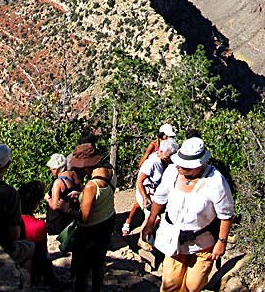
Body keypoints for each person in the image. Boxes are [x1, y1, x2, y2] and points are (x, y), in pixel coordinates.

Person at [152, 138, 232, 292]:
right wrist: (150, 222)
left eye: (186, 167)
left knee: (193, 285)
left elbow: (226, 214)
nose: (180, 167)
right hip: (173, 239)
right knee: (171, 283)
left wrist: (221, 242)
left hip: (202, 242)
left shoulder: (215, 182)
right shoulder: (172, 172)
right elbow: (159, 199)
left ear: (200, 165)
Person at [54, 142, 119, 292]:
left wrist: (67, 209)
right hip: (107, 219)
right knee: (99, 261)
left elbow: (84, 217)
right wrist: (83, 195)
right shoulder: (110, 170)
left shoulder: (91, 185)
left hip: (91, 230)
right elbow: (102, 195)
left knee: (81, 267)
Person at [131, 124, 177, 262]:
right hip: (144, 191)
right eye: (168, 156)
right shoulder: (152, 162)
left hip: (154, 192)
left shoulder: (165, 162)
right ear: (162, 152)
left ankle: (151, 238)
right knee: (153, 216)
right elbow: (140, 181)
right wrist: (145, 198)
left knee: (157, 216)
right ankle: (143, 239)